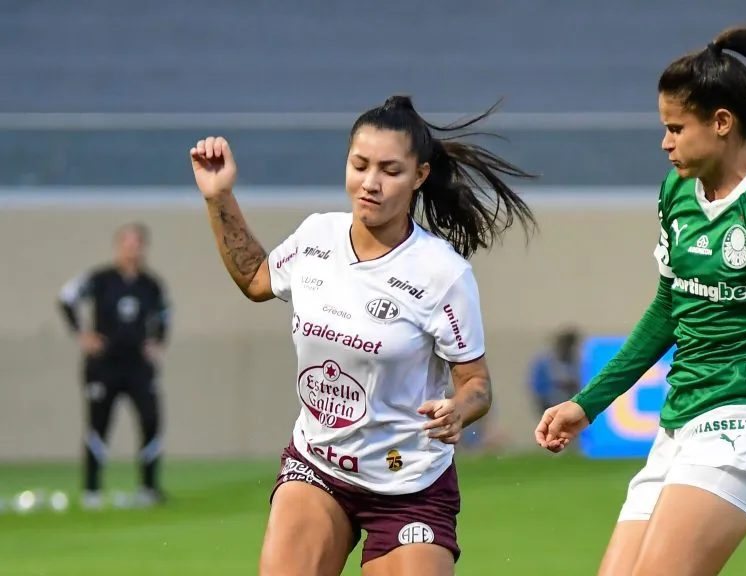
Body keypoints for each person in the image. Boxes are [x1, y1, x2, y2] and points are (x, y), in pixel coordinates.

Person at [534, 1, 746, 574]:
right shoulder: (677, 193)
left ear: (721, 123)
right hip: (678, 424)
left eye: (676, 128)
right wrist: (587, 403)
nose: (665, 143)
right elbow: (667, 310)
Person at [189, 95, 536, 576]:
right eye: (360, 165)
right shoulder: (316, 238)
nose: (370, 182)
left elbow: (476, 384)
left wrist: (458, 409)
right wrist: (218, 196)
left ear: (419, 176)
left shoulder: (443, 275)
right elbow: (255, 278)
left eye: (390, 171)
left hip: (409, 484)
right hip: (318, 467)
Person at [58, 222, 171, 509]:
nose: (131, 249)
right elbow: (66, 298)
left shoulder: (151, 285)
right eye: (126, 243)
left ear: (143, 248)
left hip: (138, 366)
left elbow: (164, 314)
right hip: (104, 365)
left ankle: (148, 488)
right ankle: (92, 491)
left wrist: (158, 341)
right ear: (118, 246)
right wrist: (82, 335)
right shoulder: (100, 279)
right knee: (99, 424)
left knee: (150, 420)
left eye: (137, 244)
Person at [528, 327, 582, 417]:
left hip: (571, 407)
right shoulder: (545, 362)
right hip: (550, 404)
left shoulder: (578, 361)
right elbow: (537, 385)